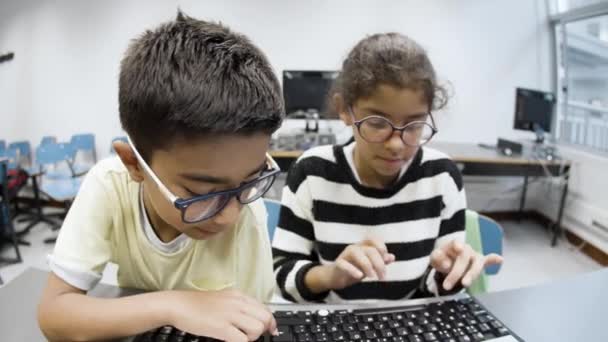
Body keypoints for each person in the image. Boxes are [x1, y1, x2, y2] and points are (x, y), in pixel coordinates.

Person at [38, 12, 284, 341]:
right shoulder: (110, 186)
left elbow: (251, 326)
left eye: (250, 181)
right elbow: (55, 314)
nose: (231, 214)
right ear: (134, 165)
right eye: (202, 191)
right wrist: (173, 305)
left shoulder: (246, 213)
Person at [272, 32, 502, 303]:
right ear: (345, 110)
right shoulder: (312, 172)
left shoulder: (442, 176)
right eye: (378, 123)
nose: (396, 144)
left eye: (415, 125)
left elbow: (433, 291)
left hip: (411, 321)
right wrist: (331, 275)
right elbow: (282, 276)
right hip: (336, 320)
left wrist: (447, 275)